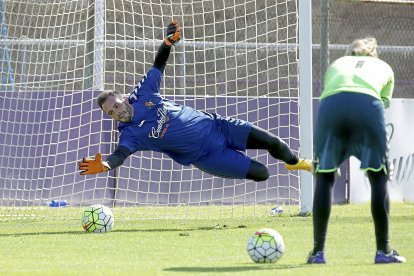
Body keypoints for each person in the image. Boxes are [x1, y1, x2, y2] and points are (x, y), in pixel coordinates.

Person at [79, 20, 312, 182]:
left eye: (116, 105)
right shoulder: (129, 134)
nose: (117, 113)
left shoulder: (143, 94)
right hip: (207, 156)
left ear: (123, 98)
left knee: (277, 144)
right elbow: (120, 154)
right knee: (262, 173)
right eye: (111, 113)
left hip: (219, 126)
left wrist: (168, 43)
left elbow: (158, 65)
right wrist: (107, 164)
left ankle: (295, 162)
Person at [307, 37, 406, 264]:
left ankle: (317, 253)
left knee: (325, 176)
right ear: (374, 54)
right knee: (378, 176)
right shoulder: (384, 67)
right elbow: (382, 103)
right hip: (367, 106)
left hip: (331, 106)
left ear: (350, 53)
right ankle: (384, 251)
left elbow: (334, 90)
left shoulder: (337, 64)